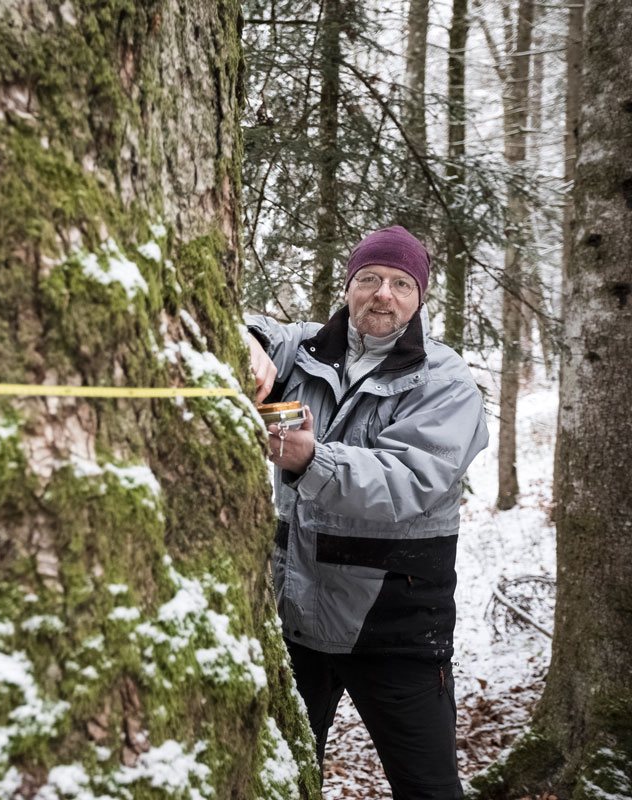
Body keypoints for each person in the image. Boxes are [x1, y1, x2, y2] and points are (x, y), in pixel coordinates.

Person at [244, 226, 488, 799]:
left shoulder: (445, 380)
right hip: (295, 619)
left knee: (428, 788)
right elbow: (243, 326)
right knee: (283, 780)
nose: (384, 293)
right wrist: (247, 340)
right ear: (349, 287)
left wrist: (313, 460)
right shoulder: (302, 348)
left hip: (395, 626)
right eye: (370, 279)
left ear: (420, 298)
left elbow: (411, 480)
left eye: (401, 284)